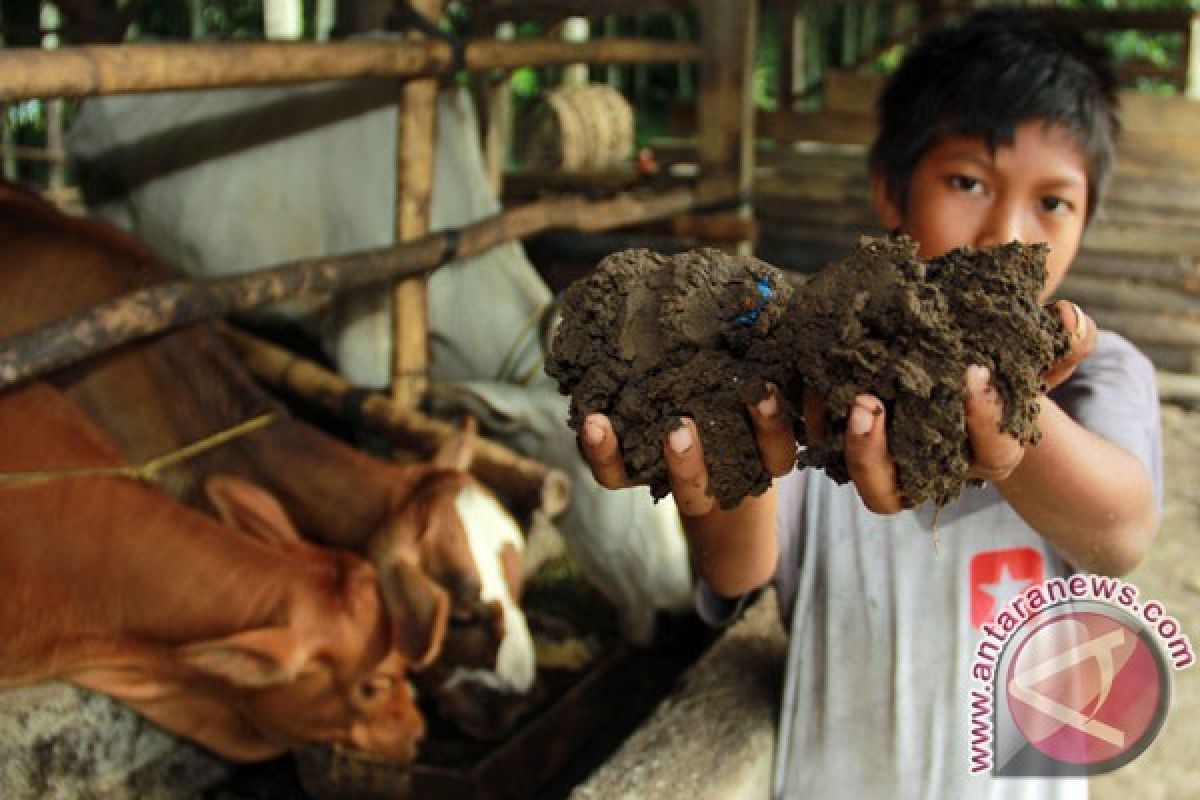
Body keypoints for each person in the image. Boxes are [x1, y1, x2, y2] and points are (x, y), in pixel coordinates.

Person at [577, 9, 1162, 800]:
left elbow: (1120, 531)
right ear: (890, 191)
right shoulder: (817, 375)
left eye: (1053, 203)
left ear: (1088, 219)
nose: (1006, 233)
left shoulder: (1100, 378)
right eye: (968, 183)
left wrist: (1009, 424)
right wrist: (721, 452)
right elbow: (739, 568)